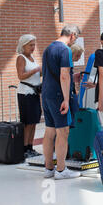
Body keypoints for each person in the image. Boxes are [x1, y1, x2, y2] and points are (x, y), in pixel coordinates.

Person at [42, 24, 81, 180]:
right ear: (72, 34)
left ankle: (48, 168)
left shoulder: (48, 48)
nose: (74, 41)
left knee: (49, 131)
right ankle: (61, 170)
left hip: (46, 94)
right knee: (63, 132)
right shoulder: (64, 50)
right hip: (59, 96)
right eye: (76, 37)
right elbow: (64, 75)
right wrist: (66, 99)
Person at [16, 34, 42, 158]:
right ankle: (25, 148)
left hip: (34, 92)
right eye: (31, 45)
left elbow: (36, 74)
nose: (33, 47)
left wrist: (41, 71)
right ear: (23, 45)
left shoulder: (32, 58)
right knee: (27, 122)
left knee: (34, 121)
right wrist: (36, 70)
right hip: (25, 93)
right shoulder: (21, 58)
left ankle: (30, 146)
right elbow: (21, 76)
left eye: (34, 45)